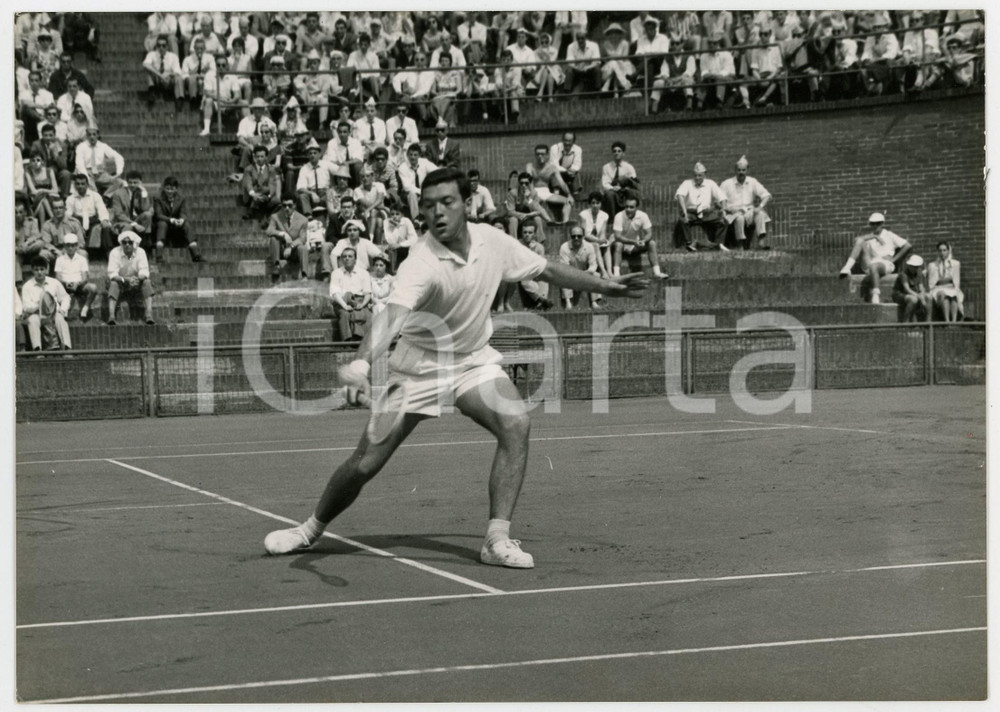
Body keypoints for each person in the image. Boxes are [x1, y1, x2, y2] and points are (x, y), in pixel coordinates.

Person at [263, 167, 650, 567]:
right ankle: (309, 531)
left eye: (447, 203)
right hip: (418, 368)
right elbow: (392, 315)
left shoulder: (494, 242)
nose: (437, 213)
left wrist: (605, 285)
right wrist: (362, 361)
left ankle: (496, 539)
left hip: (471, 362)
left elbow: (546, 270)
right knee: (366, 462)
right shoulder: (422, 261)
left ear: (467, 204)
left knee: (516, 424)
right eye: (428, 206)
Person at [838, 212, 912, 305]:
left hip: (885, 264)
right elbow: (856, 241)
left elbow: (907, 245)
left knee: (874, 266)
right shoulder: (870, 236)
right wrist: (873, 236)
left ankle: (875, 294)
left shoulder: (889, 235)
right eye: (873, 223)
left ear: (882, 223)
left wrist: (893, 259)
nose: (875, 226)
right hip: (870, 262)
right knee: (861, 241)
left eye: (878, 223)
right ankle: (847, 268)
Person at [20, 254, 72, 351]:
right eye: (36, 270)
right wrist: (42, 304)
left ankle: (67, 349)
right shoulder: (27, 286)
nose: (39, 272)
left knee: (60, 318)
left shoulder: (54, 283)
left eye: (42, 269)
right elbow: (26, 306)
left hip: (53, 313)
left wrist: (63, 310)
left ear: (46, 270)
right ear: (32, 270)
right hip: (37, 314)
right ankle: (38, 350)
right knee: (32, 320)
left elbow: (65, 297)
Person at [719, 155, 772, 249]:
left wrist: (759, 207)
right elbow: (719, 200)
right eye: (739, 170)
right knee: (739, 218)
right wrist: (727, 209)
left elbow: (766, 195)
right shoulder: (727, 183)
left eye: (743, 170)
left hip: (749, 211)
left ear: (747, 170)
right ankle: (740, 244)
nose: (741, 172)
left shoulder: (752, 181)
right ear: (735, 170)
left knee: (759, 214)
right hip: (733, 212)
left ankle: (761, 242)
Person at [674, 162, 728, 252]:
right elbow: (680, 195)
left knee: (723, 220)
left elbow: (722, 198)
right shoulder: (687, 183)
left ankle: (718, 244)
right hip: (691, 212)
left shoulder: (710, 183)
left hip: (706, 213)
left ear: (704, 175)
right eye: (695, 175)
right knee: (682, 219)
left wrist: (723, 210)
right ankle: (689, 244)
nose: (697, 178)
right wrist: (684, 211)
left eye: (700, 175)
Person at [612, 194, 668, 279]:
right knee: (618, 244)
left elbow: (649, 233)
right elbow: (618, 236)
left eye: (631, 207)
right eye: (626, 207)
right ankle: (616, 275)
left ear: (636, 208)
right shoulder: (619, 216)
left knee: (652, 243)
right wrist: (633, 242)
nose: (628, 209)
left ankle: (657, 273)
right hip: (622, 245)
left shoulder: (642, 216)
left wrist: (644, 241)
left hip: (635, 246)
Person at [106, 231, 155, 325]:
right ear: (121, 243)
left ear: (134, 243)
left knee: (147, 282)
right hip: (121, 282)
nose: (127, 245)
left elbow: (144, 271)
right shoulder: (114, 252)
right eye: (124, 242)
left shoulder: (140, 252)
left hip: (136, 282)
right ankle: (111, 316)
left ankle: (149, 314)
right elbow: (112, 274)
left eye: (130, 242)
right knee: (113, 284)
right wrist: (127, 280)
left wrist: (136, 279)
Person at [328, 245, 373, 341]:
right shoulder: (336, 273)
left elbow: (367, 293)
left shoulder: (364, 273)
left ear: (355, 259)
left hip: (360, 301)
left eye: (350, 256)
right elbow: (335, 294)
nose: (347, 259)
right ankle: (347, 341)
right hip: (342, 301)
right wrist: (345, 306)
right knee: (345, 314)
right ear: (341, 259)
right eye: (344, 257)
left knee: (366, 314)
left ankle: (362, 339)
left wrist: (362, 305)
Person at [154, 176, 201, 262]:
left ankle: (196, 254)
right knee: (162, 224)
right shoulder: (158, 198)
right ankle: (159, 255)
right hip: (163, 224)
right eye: (167, 189)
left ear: (176, 189)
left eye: (172, 189)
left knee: (186, 224)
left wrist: (181, 220)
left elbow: (183, 212)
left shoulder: (181, 198)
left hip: (176, 226)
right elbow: (158, 214)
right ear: (164, 188)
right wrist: (171, 220)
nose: (169, 191)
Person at [65, 172, 113, 257]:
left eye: (83, 184)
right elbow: (68, 214)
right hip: (78, 221)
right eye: (78, 184)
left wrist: (104, 220)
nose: (80, 186)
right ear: (75, 185)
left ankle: (109, 253)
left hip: (93, 220)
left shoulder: (95, 195)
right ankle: (79, 253)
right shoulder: (71, 198)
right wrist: (76, 223)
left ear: (87, 184)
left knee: (105, 227)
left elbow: (102, 210)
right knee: (69, 226)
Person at [526, 144, 574, 224]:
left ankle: (565, 222)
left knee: (568, 202)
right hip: (534, 190)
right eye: (537, 154)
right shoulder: (530, 166)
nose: (540, 156)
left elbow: (562, 183)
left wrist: (569, 195)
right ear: (535, 155)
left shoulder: (552, 168)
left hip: (546, 192)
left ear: (547, 154)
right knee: (533, 203)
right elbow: (529, 180)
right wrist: (533, 192)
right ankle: (550, 221)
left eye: (542, 154)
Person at [53, 233, 97, 320]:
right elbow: (57, 277)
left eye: (73, 245)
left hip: (79, 285)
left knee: (93, 288)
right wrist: (66, 283)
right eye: (68, 245)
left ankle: (86, 307)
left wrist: (78, 283)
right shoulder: (59, 259)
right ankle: (61, 310)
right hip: (64, 286)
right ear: (64, 246)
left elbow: (85, 277)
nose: (70, 248)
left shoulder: (82, 259)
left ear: (77, 246)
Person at [266, 197, 310, 281]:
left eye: (289, 205)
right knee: (273, 239)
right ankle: (276, 266)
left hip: (294, 251)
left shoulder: (303, 219)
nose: (287, 208)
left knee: (303, 247)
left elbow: (302, 239)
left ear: (294, 206)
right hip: (280, 250)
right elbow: (269, 231)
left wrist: (291, 246)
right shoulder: (275, 217)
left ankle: (304, 274)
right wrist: (282, 234)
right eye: (284, 205)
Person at [559, 227, 602, 309]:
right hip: (570, 274)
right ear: (570, 236)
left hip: (585, 272)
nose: (576, 238)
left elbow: (593, 265)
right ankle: (568, 302)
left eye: (579, 236)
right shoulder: (564, 247)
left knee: (596, 275)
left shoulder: (589, 247)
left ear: (583, 236)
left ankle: (594, 302)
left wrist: (587, 272)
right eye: (573, 236)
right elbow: (564, 267)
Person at [109, 169, 153, 244]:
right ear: (127, 182)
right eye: (130, 182)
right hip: (123, 221)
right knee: (128, 227)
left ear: (140, 182)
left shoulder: (142, 192)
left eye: (135, 182)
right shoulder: (118, 193)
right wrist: (134, 224)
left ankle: (145, 245)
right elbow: (119, 214)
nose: (132, 185)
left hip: (137, 220)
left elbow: (145, 209)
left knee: (148, 215)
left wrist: (144, 193)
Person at [241, 144, 282, 222]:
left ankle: (254, 210)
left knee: (276, 201)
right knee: (260, 191)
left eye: (262, 156)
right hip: (251, 195)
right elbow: (248, 184)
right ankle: (262, 215)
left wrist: (268, 196)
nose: (259, 159)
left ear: (266, 157)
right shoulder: (248, 169)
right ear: (254, 157)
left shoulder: (271, 169)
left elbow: (272, 185)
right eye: (257, 156)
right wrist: (254, 195)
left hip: (265, 195)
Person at [143, 34, 184, 111]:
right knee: (149, 71)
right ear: (156, 46)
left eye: (164, 45)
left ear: (167, 47)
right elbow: (145, 64)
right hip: (157, 81)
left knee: (178, 78)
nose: (161, 48)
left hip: (169, 81)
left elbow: (178, 71)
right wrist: (160, 75)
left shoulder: (173, 56)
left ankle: (179, 99)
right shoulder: (152, 54)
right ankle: (152, 93)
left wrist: (168, 74)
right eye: (159, 45)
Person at [600, 141, 639, 218]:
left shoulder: (629, 167)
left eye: (619, 151)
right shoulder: (606, 167)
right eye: (614, 151)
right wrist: (613, 188)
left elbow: (634, 182)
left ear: (623, 153)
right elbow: (605, 183)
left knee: (631, 192)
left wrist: (623, 187)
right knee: (609, 194)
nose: (616, 153)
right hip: (613, 191)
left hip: (625, 190)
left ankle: (630, 216)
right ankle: (612, 219)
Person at [927, 241, 964, 322]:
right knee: (944, 296)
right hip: (938, 288)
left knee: (954, 295)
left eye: (944, 250)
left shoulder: (955, 264)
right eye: (940, 250)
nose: (942, 253)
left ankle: (954, 321)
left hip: (951, 287)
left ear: (948, 251)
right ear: (937, 252)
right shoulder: (932, 265)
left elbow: (956, 281)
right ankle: (947, 321)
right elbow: (932, 283)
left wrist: (955, 288)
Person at [579, 191, 612, 278]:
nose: (595, 205)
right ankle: (603, 271)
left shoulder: (605, 215)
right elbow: (585, 235)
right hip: (585, 241)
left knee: (607, 245)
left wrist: (603, 240)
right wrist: (598, 241)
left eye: (598, 203)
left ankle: (610, 271)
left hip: (597, 240)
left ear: (601, 204)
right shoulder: (583, 214)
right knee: (596, 245)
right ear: (590, 204)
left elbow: (603, 233)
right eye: (593, 203)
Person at [892, 254, 930, 322]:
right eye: (912, 266)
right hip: (900, 294)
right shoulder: (903, 274)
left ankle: (928, 322)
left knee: (928, 297)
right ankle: (905, 322)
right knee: (913, 299)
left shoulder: (919, 273)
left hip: (914, 293)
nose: (914, 268)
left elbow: (921, 287)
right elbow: (907, 289)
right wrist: (919, 297)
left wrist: (922, 295)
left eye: (916, 267)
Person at [564, 30, 601, 96]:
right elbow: (570, 62)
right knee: (569, 70)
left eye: (582, 38)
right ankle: (566, 93)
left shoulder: (594, 45)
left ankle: (598, 91)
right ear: (576, 38)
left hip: (589, 69)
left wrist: (588, 67)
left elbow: (597, 62)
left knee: (597, 69)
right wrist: (577, 67)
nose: (580, 40)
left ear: (586, 38)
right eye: (578, 38)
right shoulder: (570, 46)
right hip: (577, 69)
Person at [383, 201, 418, 270]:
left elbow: (414, 238)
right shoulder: (386, 222)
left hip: (405, 246)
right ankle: (392, 270)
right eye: (392, 214)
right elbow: (390, 240)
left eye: (397, 214)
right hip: (394, 247)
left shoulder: (406, 221)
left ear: (402, 215)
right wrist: (394, 227)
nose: (394, 216)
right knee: (391, 248)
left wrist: (400, 244)